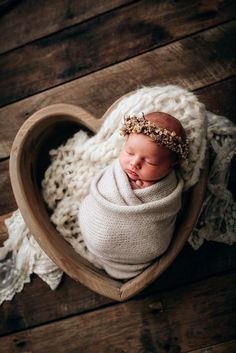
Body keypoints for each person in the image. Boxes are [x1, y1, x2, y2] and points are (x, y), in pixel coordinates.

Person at [79, 112, 188, 279]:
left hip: (142, 238)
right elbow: (103, 186)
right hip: (98, 220)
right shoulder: (117, 172)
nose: (134, 163)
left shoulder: (168, 188)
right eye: (129, 152)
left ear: (170, 167)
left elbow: (161, 221)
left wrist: (144, 190)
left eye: (150, 162)